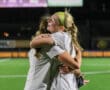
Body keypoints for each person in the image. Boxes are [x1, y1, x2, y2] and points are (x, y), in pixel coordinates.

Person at [30, 11, 87, 90]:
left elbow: (33, 44)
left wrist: (41, 37)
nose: (48, 21)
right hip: (70, 84)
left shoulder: (58, 36)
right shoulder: (68, 37)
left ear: (62, 26)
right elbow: (78, 53)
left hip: (61, 85)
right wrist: (76, 72)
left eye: (52, 20)